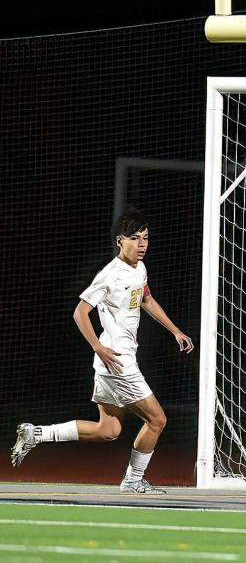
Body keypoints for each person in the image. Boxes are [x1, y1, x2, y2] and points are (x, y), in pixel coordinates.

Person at [10, 208, 194, 494]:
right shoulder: (109, 275)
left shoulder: (139, 268)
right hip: (117, 360)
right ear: (120, 241)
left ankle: (36, 433)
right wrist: (98, 346)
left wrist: (175, 330)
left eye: (145, 237)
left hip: (111, 361)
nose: (142, 244)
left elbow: (145, 299)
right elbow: (80, 312)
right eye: (135, 238)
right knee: (157, 420)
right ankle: (133, 481)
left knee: (108, 430)